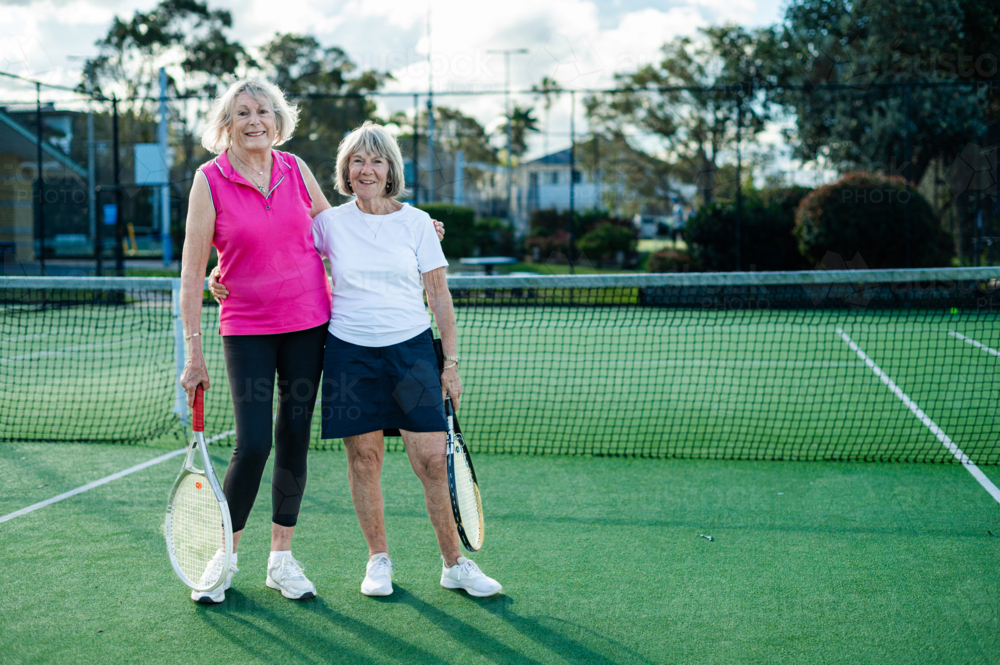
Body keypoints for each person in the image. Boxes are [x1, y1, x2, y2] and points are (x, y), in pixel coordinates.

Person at [211, 121, 502, 598]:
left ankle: (454, 563)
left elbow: (439, 295)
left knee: (431, 461)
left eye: (377, 161)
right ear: (346, 171)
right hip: (348, 352)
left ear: (392, 170)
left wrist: (449, 364)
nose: (367, 169)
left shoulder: (417, 223)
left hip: (411, 352)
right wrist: (219, 273)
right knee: (364, 459)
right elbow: (274, 249)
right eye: (358, 162)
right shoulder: (327, 224)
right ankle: (378, 560)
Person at [180, 79, 443, 604]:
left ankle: (281, 558)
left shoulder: (295, 169)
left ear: (277, 120)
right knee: (254, 443)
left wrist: (409, 227)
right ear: (227, 123)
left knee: (295, 434)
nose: (255, 120)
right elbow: (191, 272)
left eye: (264, 111)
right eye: (243, 112)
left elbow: (342, 228)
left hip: (309, 324)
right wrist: (194, 349)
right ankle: (224, 556)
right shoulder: (209, 180)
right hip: (247, 328)